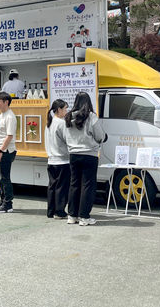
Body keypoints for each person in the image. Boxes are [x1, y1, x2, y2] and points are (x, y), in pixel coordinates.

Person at [61, 92, 107, 226]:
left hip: (73, 155)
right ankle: (84, 217)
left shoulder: (68, 116)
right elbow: (99, 136)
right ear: (88, 102)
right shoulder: (91, 116)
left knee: (74, 184)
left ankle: (72, 215)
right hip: (89, 155)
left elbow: (65, 136)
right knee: (88, 185)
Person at [45, 99, 70, 219]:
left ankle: (51, 211)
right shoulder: (61, 123)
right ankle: (59, 211)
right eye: (65, 108)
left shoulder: (49, 123)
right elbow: (67, 140)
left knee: (52, 186)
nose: (66, 111)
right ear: (59, 109)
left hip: (51, 159)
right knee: (62, 187)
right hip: (62, 159)